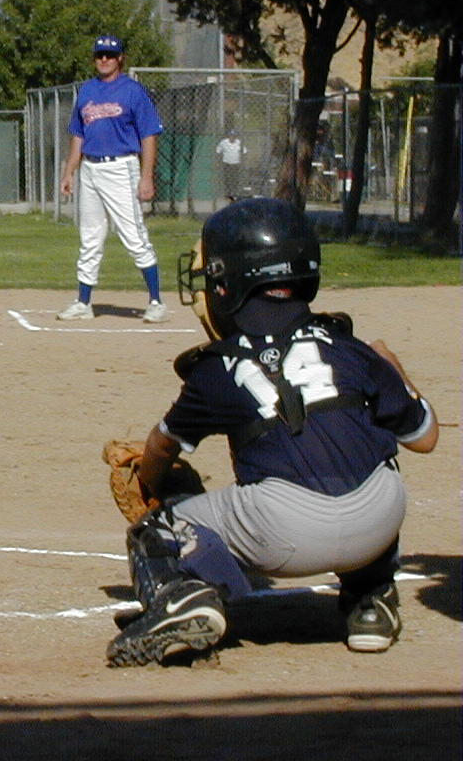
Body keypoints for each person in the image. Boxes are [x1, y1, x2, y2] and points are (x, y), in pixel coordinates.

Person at [105, 198, 437, 666]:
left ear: (228, 285)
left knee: (154, 531)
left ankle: (183, 598)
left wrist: (152, 485)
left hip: (283, 536)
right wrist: (393, 368)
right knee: (373, 461)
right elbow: (424, 439)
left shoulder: (217, 366)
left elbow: (162, 446)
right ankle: (371, 602)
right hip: (379, 523)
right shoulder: (349, 345)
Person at [57, 35, 168, 323]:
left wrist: (146, 176)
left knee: (134, 236)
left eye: (109, 55)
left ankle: (156, 301)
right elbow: (78, 135)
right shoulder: (87, 90)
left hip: (121, 167)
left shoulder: (132, 91)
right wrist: (69, 171)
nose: (104, 59)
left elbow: (149, 135)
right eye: (99, 55)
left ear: (120, 59)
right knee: (90, 237)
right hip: (90, 169)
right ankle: (83, 303)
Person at [214, 129, 244, 202]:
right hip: (227, 163)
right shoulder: (224, 142)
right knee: (227, 179)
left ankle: (234, 194)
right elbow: (218, 151)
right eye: (231, 136)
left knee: (235, 180)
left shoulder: (239, 142)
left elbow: (244, 151)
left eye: (234, 136)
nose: (232, 137)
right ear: (229, 136)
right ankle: (227, 195)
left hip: (236, 164)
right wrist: (218, 162)